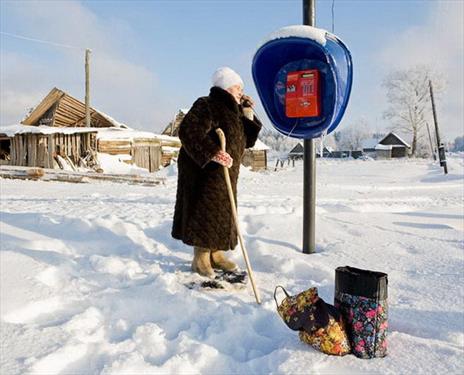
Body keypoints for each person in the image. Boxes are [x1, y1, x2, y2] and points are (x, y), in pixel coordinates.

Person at [172, 67, 262, 278]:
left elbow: (248, 141)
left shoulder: (235, 111)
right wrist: (212, 153)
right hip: (204, 171)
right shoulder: (207, 104)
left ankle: (216, 253)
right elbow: (188, 131)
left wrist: (247, 112)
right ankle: (201, 257)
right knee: (205, 211)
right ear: (225, 86)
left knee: (223, 211)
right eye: (238, 87)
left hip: (226, 172)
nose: (241, 91)